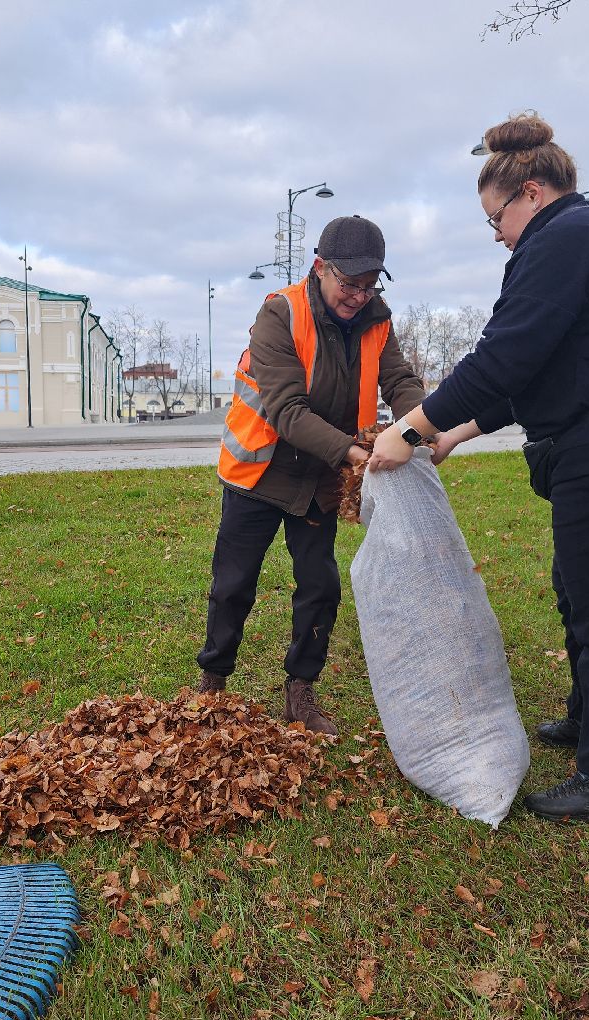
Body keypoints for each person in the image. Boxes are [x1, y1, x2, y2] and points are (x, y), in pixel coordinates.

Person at [369, 112, 589, 824]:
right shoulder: (584, 239)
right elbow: (552, 371)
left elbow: (505, 356)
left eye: (497, 220)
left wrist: (412, 426)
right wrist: (456, 431)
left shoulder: (565, 240)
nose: (499, 236)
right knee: (581, 593)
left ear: (533, 192)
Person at [197, 215, 425, 736]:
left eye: (370, 286)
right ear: (320, 268)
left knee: (320, 586)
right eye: (349, 283)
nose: (359, 296)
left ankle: (300, 691)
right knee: (233, 585)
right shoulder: (279, 313)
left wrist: (421, 427)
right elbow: (286, 411)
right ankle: (212, 683)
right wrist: (353, 453)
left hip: (322, 475)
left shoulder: (377, 321)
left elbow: (400, 381)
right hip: (260, 471)